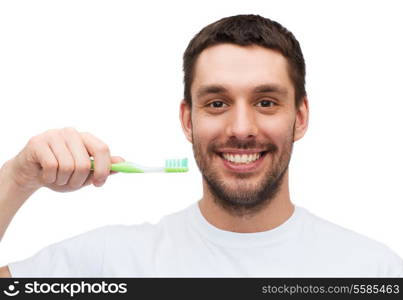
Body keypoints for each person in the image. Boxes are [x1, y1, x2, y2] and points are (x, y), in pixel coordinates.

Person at [0, 14, 402, 277]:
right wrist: (17, 178)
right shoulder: (110, 263)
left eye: (265, 102)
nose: (241, 128)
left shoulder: (370, 270)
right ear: (187, 120)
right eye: (217, 103)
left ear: (300, 117)